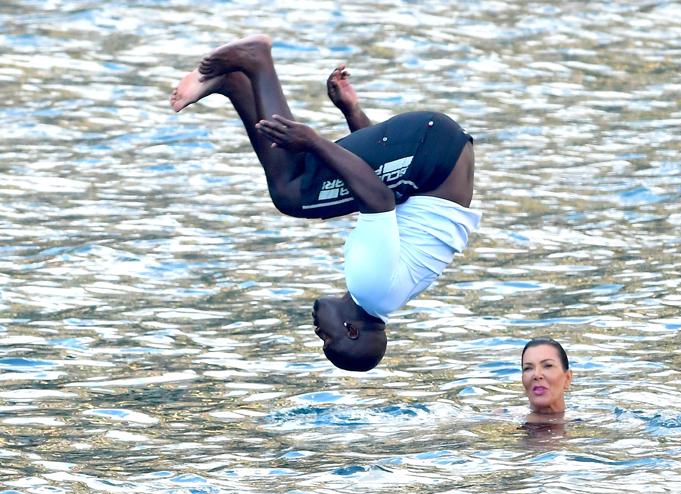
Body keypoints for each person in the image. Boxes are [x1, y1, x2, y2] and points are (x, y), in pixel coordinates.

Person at [169, 35, 479, 372]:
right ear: (351, 330)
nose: (318, 332)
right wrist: (313, 140)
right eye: (327, 339)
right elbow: (379, 198)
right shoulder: (371, 288)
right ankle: (255, 61)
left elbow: (382, 182)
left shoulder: (388, 294)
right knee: (291, 193)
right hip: (431, 155)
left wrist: (352, 113)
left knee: (307, 181)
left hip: (435, 153)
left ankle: (236, 84)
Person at [521, 338, 573, 424]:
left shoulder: (587, 422)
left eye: (548, 366)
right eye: (528, 368)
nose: (537, 375)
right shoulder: (503, 416)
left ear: (567, 378)